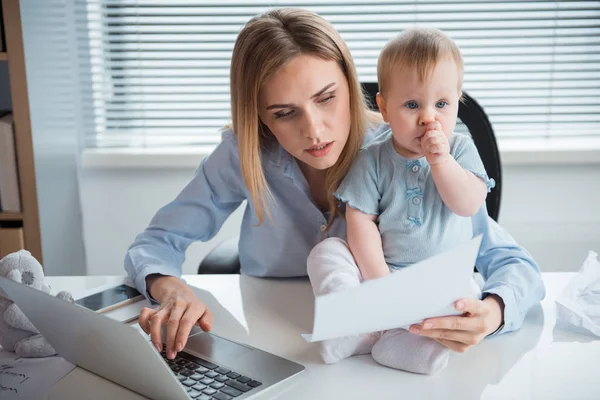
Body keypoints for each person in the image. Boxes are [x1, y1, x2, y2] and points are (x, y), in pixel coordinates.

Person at [124, 8, 545, 369]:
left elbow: (513, 262)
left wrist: (493, 312)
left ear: (352, 85)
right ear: (260, 117)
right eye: (285, 112)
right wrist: (171, 289)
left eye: (326, 98)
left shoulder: (403, 154)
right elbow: (156, 243)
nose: (314, 130)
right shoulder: (243, 154)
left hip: (388, 349)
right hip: (278, 343)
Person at [307, 27, 498, 374]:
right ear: (384, 107)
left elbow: (468, 205)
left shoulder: (460, 149)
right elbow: (360, 221)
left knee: (470, 293)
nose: (429, 117)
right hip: (384, 271)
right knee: (327, 251)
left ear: (458, 100)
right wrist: (381, 283)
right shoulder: (372, 159)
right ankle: (351, 324)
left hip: (442, 279)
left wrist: (440, 162)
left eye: (441, 104)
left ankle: (408, 345)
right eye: (412, 105)